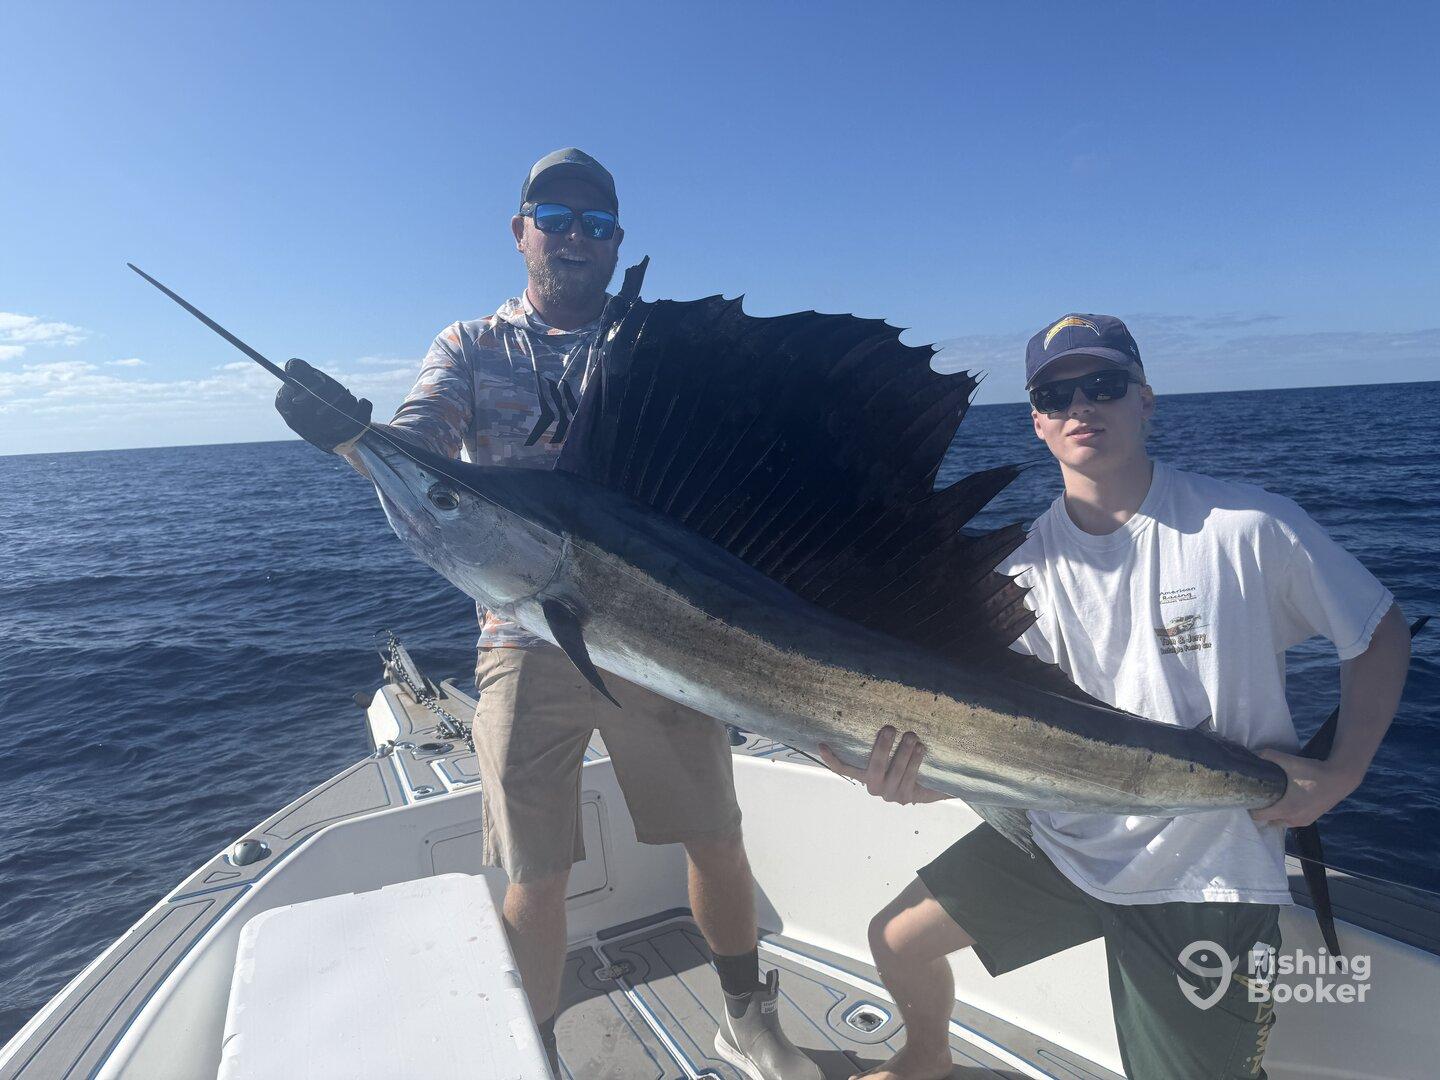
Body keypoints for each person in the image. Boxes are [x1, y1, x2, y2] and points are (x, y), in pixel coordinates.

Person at [275, 148, 820, 1080]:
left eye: (597, 224)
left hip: (663, 636)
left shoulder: (650, 346)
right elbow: (422, 445)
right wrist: (353, 440)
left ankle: (744, 1015)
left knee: (717, 838)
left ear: (616, 246)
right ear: (520, 228)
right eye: (555, 216)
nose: (575, 236)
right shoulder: (472, 345)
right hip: (521, 635)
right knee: (536, 873)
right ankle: (539, 1053)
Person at [818, 313, 1412, 1080]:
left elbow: (1378, 631)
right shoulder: (1017, 573)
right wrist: (912, 783)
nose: (1081, 406)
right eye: (1056, 394)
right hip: (1061, 844)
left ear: (1146, 400)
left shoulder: (1246, 526)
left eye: (1103, 385)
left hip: (1205, 865)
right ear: (1035, 422)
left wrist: (1345, 771)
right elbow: (999, 751)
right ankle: (925, 1058)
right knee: (896, 937)